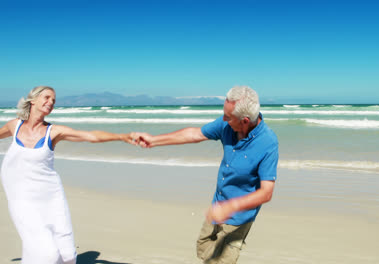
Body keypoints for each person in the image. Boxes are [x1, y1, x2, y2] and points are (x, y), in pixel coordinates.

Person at [132, 86, 278, 264]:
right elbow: (194, 134)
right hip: (217, 205)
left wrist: (230, 207)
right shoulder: (227, 125)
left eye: (228, 117)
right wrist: (154, 140)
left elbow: (266, 192)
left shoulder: (268, 143)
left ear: (245, 121)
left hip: (238, 219)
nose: (223, 119)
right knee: (204, 251)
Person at [0, 86, 137, 264]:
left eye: (54, 101)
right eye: (47, 97)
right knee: (46, 252)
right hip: (22, 198)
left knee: (68, 256)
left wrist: (121, 137)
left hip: (50, 195)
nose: (51, 102)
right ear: (32, 100)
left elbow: (90, 136)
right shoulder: (14, 126)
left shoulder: (54, 131)